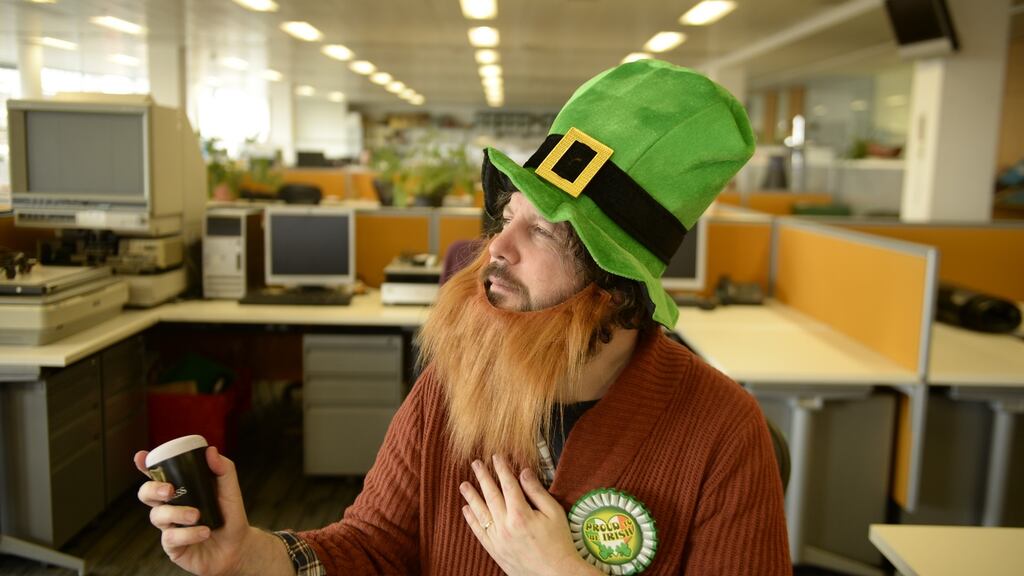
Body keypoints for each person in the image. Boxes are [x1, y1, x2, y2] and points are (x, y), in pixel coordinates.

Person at [136, 59, 790, 575]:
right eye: (506, 218)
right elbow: (372, 546)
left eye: (544, 232)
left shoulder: (723, 432)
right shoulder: (453, 385)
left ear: (617, 289)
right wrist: (249, 556)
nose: (496, 248)